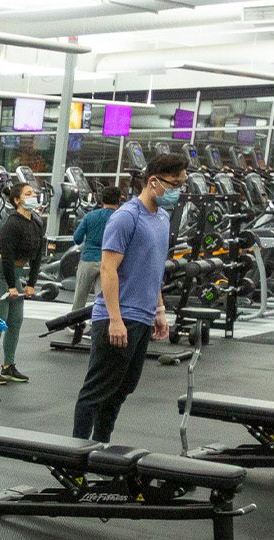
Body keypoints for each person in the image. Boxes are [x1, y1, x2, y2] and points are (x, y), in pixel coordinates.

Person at [72, 154, 184, 443]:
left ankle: (100, 446)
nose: (178, 190)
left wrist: (159, 310)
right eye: (175, 184)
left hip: (143, 317)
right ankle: (73, 456)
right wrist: (115, 319)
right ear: (153, 182)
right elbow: (108, 269)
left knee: (122, 388)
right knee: (96, 390)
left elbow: (154, 266)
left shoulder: (162, 217)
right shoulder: (126, 217)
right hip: (117, 318)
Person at [0, 183, 45, 385]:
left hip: (13, 274)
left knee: (15, 322)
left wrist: (31, 283)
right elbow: (6, 257)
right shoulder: (12, 223)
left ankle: (8, 366)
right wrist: (11, 286)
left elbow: (37, 256)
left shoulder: (37, 223)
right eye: (28, 193)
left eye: (33, 193)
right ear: (17, 200)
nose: (33, 195)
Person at [69, 186, 122, 312]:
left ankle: (75, 324)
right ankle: (97, 324)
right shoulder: (121, 218)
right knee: (101, 298)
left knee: (79, 297)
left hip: (87, 260)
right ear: (119, 200)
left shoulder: (90, 216)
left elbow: (77, 238)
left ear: (102, 200)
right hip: (109, 262)